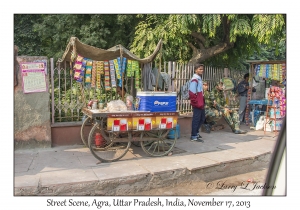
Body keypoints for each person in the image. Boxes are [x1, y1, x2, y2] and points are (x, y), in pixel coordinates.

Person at [189, 63, 205, 142]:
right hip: (197, 103)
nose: (202, 70)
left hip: (200, 102)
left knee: (202, 118)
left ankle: (196, 132)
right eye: (200, 69)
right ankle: (194, 136)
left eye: (202, 69)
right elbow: (192, 93)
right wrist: (196, 103)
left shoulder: (199, 79)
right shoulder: (194, 80)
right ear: (196, 70)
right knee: (196, 119)